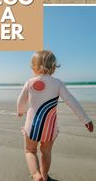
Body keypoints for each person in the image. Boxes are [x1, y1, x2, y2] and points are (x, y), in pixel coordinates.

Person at [17, 50, 93, 181]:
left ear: (34, 67)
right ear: (53, 67)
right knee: (46, 152)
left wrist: (20, 111)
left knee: (30, 151)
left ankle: (36, 175)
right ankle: (45, 175)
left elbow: (21, 101)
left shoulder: (29, 83)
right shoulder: (58, 83)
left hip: (32, 127)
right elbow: (71, 102)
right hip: (49, 127)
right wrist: (86, 119)